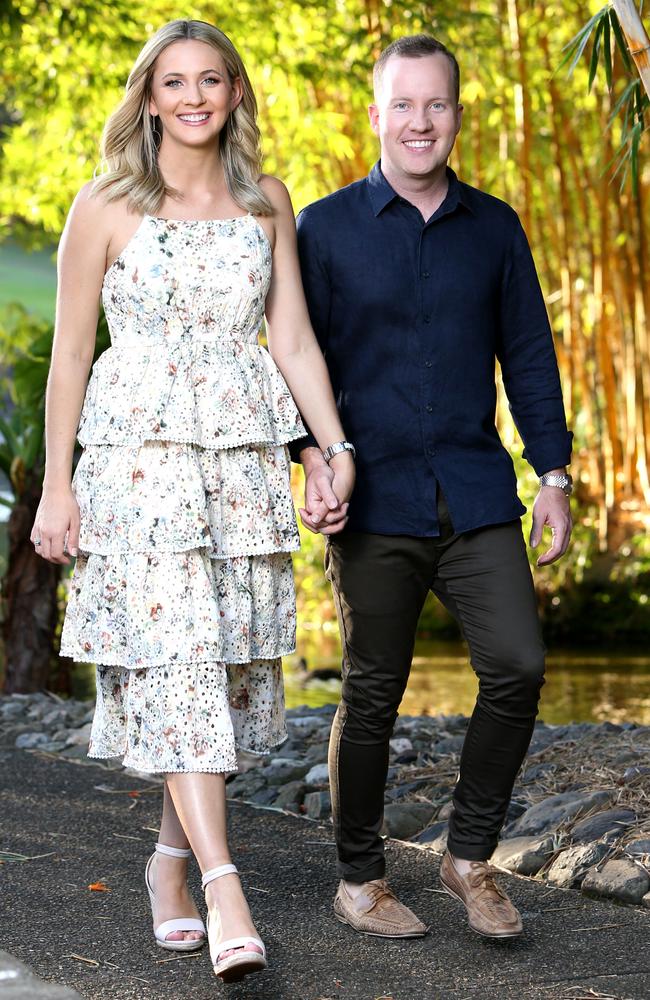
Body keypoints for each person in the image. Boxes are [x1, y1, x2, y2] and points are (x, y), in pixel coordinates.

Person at [30, 18, 354, 984]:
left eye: (211, 80)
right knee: (176, 661)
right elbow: (70, 359)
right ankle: (223, 885)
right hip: (137, 470)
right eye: (175, 82)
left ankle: (168, 864)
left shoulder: (266, 204)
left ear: (235, 93)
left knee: (211, 670)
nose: (195, 97)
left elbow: (291, 339)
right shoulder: (105, 206)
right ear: (149, 97)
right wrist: (56, 487)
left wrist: (329, 451)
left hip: (238, 466)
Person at [292, 34, 573, 940]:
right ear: (375, 115)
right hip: (371, 498)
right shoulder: (325, 229)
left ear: (458, 113)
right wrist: (309, 458)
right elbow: (296, 360)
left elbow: (530, 355)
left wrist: (555, 473)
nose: (420, 122)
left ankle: (467, 859)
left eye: (437, 104)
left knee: (519, 666)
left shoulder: (495, 228)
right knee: (373, 688)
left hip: (475, 490)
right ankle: (360, 880)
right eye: (403, 105)